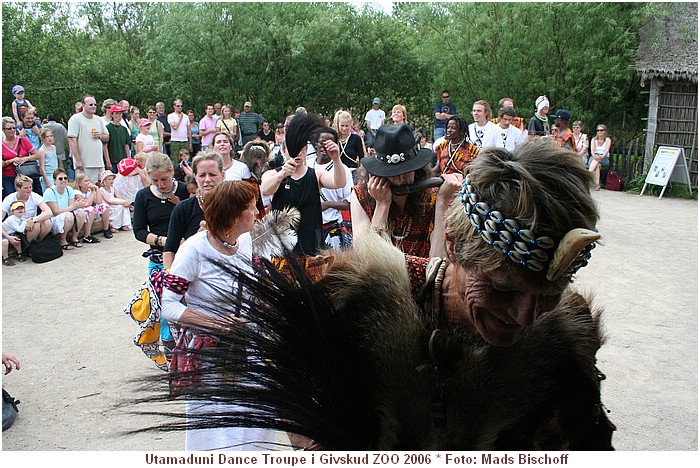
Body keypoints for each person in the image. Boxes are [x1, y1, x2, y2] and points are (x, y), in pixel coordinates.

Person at [150, 139, 613, 450]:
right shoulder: (347, 301)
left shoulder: (563, 343)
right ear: (454, 246)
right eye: (504, 287)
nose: (525, 316)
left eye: (548, 296)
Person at [160, 180, 290, 451]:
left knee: (256, 415)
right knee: (220, 420)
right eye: (252, 208)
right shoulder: (193, 251)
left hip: (248, 345)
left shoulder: (243, 241)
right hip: (211, 357)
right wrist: (217, 324)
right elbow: (168, 306)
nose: (258, 213)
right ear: (233, 215)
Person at [351, 123, 463, 259]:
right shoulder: (361, 195)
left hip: (427, 279)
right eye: (391, 173)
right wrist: (382, 205)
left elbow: (439, 262)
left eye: (406, 170)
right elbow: (365, 259)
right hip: (379, 278)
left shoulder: (433, 195)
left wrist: (442, 202)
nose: (399, 180)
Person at [261, 113, 347, 256]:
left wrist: (336, 159)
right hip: (281, 248)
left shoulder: (316, 174)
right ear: (284, 151)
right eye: (294, 149)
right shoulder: (272, 174)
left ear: (307, 151)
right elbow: (265, 190)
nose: (299, 154)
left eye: (302, 149)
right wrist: (282, 174)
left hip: (311, 246)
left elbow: (339, 182)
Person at [163, 150, 225, 270]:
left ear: (222, 175)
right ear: (195, 177)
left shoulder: (235, 206)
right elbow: (170, 249)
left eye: (212, 174)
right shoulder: (183, 209)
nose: (207, 179)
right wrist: (170, 279)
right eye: (202, 175)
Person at [133, 152, 190, 275]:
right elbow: (139, 231)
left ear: (172, 172)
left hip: (186, 254)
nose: (161, 184)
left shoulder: (185, 190)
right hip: (158, 257)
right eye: (155, 180)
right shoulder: (143, 196)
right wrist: (165, 241)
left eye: (164, 179)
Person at [308, 128, 353, 250]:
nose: (324, 147)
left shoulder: (343, 170)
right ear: (316, 144)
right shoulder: (306, 166)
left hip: (332, 228)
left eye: (329, 143)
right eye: (322, 142)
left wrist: (327, 204)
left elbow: (350, 203)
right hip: (308, 226)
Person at [67, 95, 110, 183]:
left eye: (95, 104)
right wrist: (78, 160)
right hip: (85, 162)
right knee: (85, 187)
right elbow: (72, 140)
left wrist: (100, 136)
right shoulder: (75, 119)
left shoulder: (98, 119)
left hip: (99, 161)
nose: (93, 106)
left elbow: (107, 137)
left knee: (101, 186)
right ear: (83, 105)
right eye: (90, 104)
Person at [1, 174, 53, 244]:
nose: (29, 190)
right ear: (18, 188)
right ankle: (28, 246)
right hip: (16, 227)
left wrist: (33, 220)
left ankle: (39, 243)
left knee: (46, 222)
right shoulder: (9, 198)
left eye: (30, 187)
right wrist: (7, 236)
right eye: (26, 188)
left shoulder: (34, 196)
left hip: (30, 223)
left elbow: (49, 212)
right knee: (36, 225)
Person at [43, 168, 87, 250]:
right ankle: (62, 240)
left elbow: (71, 207)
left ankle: (74, 238)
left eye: (65, 178)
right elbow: (55, 212)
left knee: (80, 213)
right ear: (54, 181)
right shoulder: (49, 192)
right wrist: (74, 206)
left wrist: (76, 206)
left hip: (66, 214)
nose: (63, 180)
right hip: (53, 218)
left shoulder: (69, 189)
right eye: (60, 178)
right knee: (69, 216)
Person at [2, 117, 37, 198]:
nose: (12, 130)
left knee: (27, 198)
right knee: (12, 198)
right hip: (8, 176)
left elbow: (36, 155)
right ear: (3, 130)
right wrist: (11, 161)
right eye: (9, 128)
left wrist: (25, 159)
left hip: (24, 175)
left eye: (14, 128)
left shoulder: (22, 140)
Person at [72, 173, 109, 243]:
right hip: (80, 211)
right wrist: (93, 193)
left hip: (89, 209)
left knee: (105, 207)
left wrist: (97, 190)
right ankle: (87, 235)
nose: (88, 183)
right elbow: (86, 204)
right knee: (91, 210)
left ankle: (106, 229)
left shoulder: (90, 191)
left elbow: (99, 201)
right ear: (79, 183)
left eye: (89, 180)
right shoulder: (76, 192)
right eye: (86, 181)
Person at [239, 140, 271, 216]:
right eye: (255, 157)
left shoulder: (268, 171)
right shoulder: (245, 177)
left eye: (260, 157)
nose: (257, 161)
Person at [332, 110, 365, 177]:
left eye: (347, 126)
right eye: (342, 125)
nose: (344, 128)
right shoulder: (334, 138)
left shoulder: (356, 139)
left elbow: (362, 158)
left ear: (351, 125)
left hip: (352, 172)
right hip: (336, 172)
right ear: (338, 124)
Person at [105, 105, 132, 173]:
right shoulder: (107, 128)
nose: (119, 116)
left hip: (122, 159)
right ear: (112, 115)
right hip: (112, 159)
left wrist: (128, 159)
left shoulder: (124, 129)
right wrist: (108, 161)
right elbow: (105, 145)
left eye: (120, 113)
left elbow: (126, 144)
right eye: (116, 113)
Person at [2, 200, 29, 264]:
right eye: (17, 209)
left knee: (17, 238)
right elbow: (20, 230)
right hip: (3, 234)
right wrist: (25, 222)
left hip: (11, 233)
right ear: (12, 211)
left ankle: (19, 253)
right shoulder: (11, 219)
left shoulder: (20, 218)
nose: (20, 210)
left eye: (21, 208)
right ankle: (5, 258)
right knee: (5, 242)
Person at [167, 99, 192, 166]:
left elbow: (189, 130)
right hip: (175, 140)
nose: (180, 107)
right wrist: (180, 117)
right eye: (178, 106)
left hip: (185, 141)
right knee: (175, 159)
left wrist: (190, 142)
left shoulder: (186, 117)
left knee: (186, 159)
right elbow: (174, 127)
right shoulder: (171, 116)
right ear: (174, 106)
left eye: (181, 106)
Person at [36, 129, 60, 193]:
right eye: (47, 137)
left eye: (51, 136)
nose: (50, 138)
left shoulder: (54, 147)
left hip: (55, 174)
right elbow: (42, 167)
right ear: (42, 138)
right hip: (48, 175)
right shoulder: (42, 150)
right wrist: (47, 182)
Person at [589, 124, 611, 190]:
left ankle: (588, 173)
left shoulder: (608, 140)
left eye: (601, 130)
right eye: (598, 130)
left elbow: (606, 150)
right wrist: (594, 156)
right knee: (597, 165)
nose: (599, 132)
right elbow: (592, 150)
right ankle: (597, 185)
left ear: (605, 131)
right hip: (595, 156)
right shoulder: (594, 140)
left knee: (596, 161)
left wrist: (601, 157)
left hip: (604, 158)